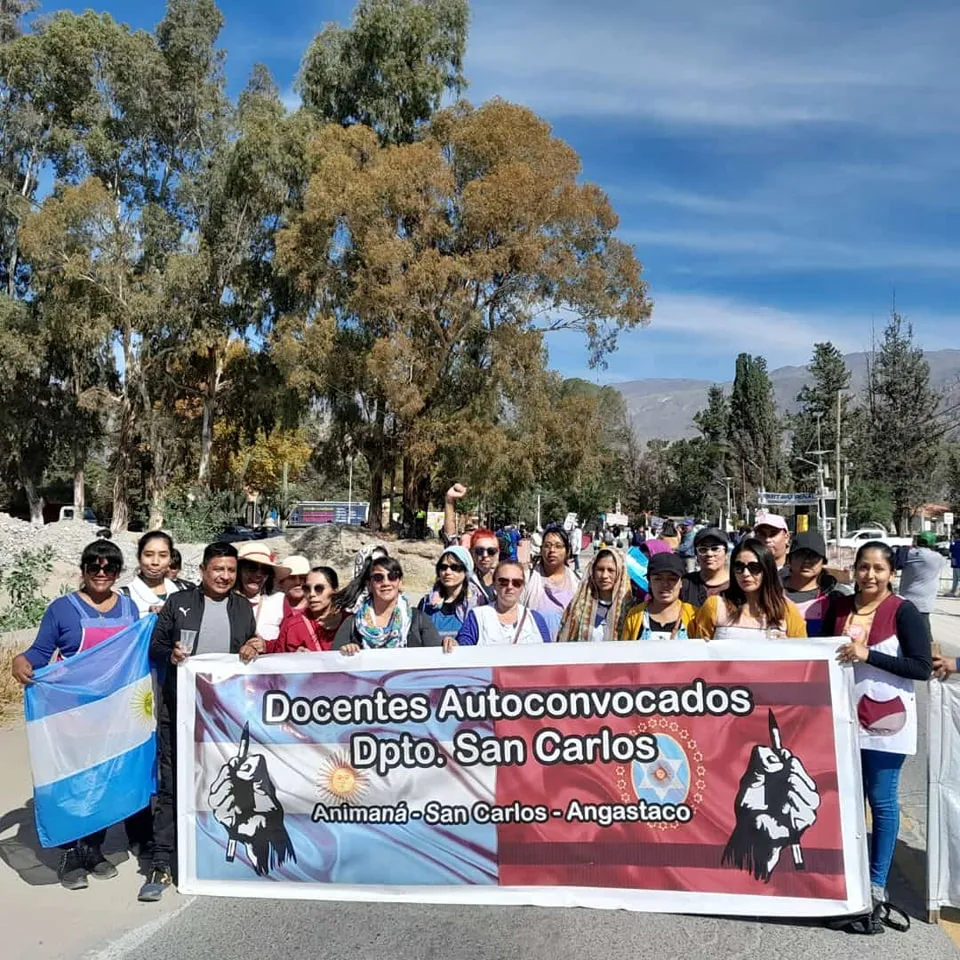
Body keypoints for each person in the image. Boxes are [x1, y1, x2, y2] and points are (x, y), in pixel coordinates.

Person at [12, 540, 146, 890]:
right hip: (70, 715)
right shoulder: (62, 609)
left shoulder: (130, 610)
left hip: (114, 715)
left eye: (109, 569)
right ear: (83, 570)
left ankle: (93, 849)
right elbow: (41, 651)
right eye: (94, 567)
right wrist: (21, 661)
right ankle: (70, 854)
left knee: (104, 782)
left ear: (118, 573)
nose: (101, 574)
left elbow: (139, 652)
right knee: (71, 783)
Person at [138, 542, 257, 902]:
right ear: (204, 570)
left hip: (224, 719)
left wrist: (255, 644)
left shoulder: (242, 608)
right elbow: (155, 648)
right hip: (178, 713)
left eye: (231, 571)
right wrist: (171, 652)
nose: (224, 576)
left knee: (223, 787)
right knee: (173, 785)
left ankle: (215, 854)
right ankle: (161, 862)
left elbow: (249, 646)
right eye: (218, 569)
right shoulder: (179, 603)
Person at [826, 541, 931, 909]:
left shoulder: (904, 612)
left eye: (878, 569)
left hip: (888, 724)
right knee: (843, 801)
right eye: (864, 567)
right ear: (854, 570)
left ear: (891, 574)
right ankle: (844, 873)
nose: (870, 575)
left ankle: (875, 882)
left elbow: (921, 667)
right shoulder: (839, 608)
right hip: (842, 720)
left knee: (881, 801)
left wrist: (868, 654)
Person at [690, 538, 807, 640]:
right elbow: (700, 655)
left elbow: (802, 656)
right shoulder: (715, 606)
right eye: (739, 567)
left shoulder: (787, 610)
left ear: (767, 570)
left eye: (754, 567)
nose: (745, 573)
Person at [333, 557, 441, 652]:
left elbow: (437, 661)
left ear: (400, 582)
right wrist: (344, 653)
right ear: (369, 585)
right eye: (378, 577)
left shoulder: (419, 620)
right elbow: (333, 667)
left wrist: (446, 644)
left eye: (392, 576)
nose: (386, 582)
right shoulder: (352, 624)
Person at [456, 561, 551, 645]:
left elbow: (549, 657)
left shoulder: (535, 619)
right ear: (494, 584)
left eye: (516, 582)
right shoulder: (477, 617)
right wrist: (452, 644)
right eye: (503, 582)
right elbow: (462, 650)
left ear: (522, 586)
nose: (510, 587)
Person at [256, 567, 343, 654]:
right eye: (307, 589)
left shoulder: (351, 623)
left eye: (319, 588)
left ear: (334, 590)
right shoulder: (293, 626)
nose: (311, 594)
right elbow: (278, 650)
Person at [556, 548, 634, 643]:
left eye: (611, 570)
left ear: (621, 572)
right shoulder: (578, 605)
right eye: (600, 569)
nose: (604, 576)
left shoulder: (630, 608)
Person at [782, 531, 850, 636]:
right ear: (789, 560)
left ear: (823, 562)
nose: (807, 561)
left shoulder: (837, 596)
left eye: (813, 556)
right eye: (801, 554)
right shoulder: (771, 592)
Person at [621, 552, 697, 640]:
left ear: (681, 583)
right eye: (658, 579)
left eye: (672, 579)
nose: (665, 584)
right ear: (649, 582)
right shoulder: (635, 615)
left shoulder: (694, 615)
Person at [525, 524, 580, 640]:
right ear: (541, 549)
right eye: (547, 546)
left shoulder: (577, 582)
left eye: (558, 546)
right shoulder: (527, 579)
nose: (552, 550)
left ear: (567, 551)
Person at [417, 546, 482, 644]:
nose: (447, 572)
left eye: (455, 567)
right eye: (443, 567)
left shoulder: (476, 603)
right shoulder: (427, 603)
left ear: (466, 571)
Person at [119, 530, 182, 616]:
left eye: (163, 555)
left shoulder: (181, 591)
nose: (155, 562)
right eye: (148, 555)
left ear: (170, 559)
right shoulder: (123, 597)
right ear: (139, 557)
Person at [898, 531, 945, 642]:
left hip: (904, 599)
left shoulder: (908, 554)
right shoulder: (937, 558)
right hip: (924, 603)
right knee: (925, 635)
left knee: (903, 630)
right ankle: (930, 656)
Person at [255, 554, 311, 646]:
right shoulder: (268, 608)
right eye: (292, 578)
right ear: (281, 583)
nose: (298, 582)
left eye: (302, 577)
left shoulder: (317, 608)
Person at [235, 542, 288, 624]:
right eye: (251, 568)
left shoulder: (279, 602)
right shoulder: (224, 602)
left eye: (265, 570)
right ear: (239, 571)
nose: (258, 574)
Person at [681, 527, 730, 607]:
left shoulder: (737, 585)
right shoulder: (686, 583)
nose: (709, 554)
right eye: (703, 549)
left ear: (726, 553)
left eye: (715, 549)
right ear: (696, 554)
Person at [949, 529, 960, 597]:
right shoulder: (955, 542)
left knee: (959, 578)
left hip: (958, 562)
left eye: (955, 534)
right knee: (955, 578)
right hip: (955, 562)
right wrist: (951, 543)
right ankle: (953, 590)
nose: (954, 535)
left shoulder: (957, 543)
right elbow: (951, 550)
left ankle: (957, 591)